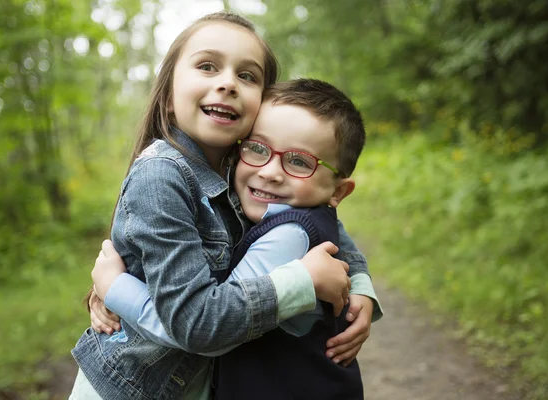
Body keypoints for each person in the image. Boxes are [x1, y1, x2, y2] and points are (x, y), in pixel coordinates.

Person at [71, 11, 378, 400]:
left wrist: (362, 288)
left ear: (260, 107)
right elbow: (195, 324)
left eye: (247, 76)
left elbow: (317, 219)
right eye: (207, 66)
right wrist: (113, 286)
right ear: (167, 97)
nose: (228, 83)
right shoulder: (161, 175)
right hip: (135, 390)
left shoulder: (247, 166)